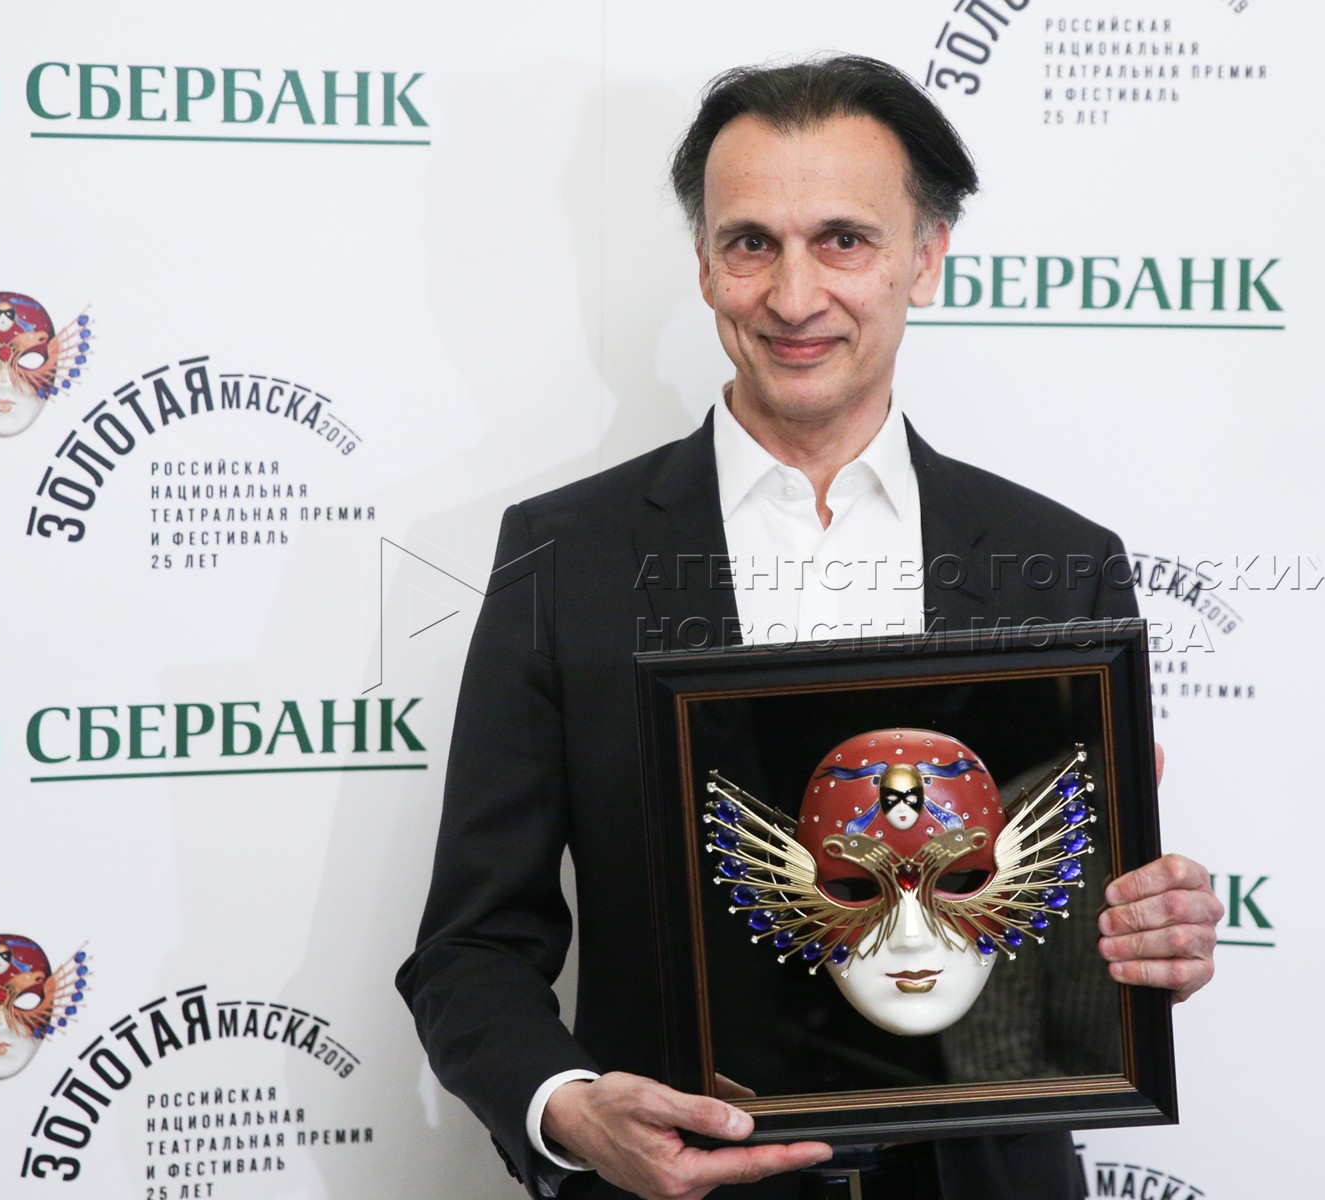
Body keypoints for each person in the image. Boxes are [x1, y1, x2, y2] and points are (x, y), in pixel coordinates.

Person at [397, 54, 1223, 1200]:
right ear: (703, 264)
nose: (793, 297)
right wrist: (570, 1112)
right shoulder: (563, 558)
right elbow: (472, 949)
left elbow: (1059, 951)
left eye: (843, 239)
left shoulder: (1064, 565)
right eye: (751, 243)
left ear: (924, 256)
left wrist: (1145, 942)